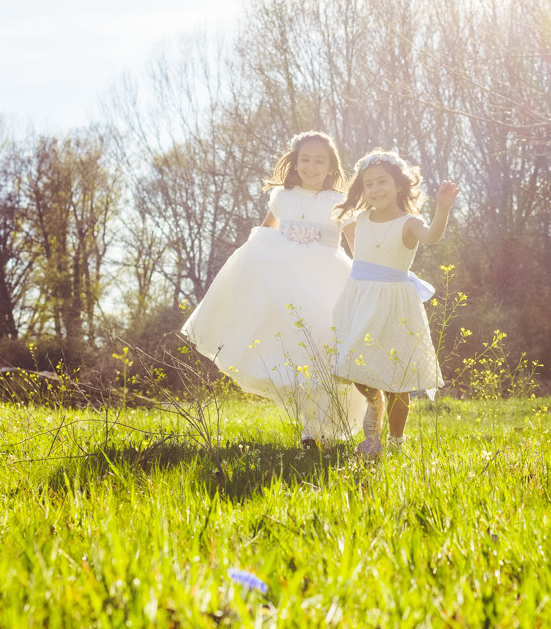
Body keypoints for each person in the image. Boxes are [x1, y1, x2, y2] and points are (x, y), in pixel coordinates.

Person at [181, 131, 365, 447]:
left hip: (323, 280)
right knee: (292, 349)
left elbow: (355, 245)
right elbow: (265, 233)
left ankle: (320, 430)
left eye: (319, 161)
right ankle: (310, 426)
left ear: (331, 167)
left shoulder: (339, 202)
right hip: (286, 281)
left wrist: (367, 278)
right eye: (305, 159)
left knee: (323, 344)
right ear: (294, 163)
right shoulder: (282, 196)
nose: (311, 166)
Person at [331, 149, 459, 457]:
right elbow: (359, 256)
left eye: (382, 181)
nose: (375, 189)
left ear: (399, 184)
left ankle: (396, 441)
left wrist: (442, 207)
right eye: (369, 183)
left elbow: (432, 236)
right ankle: (373, 420)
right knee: (357, 365)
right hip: (361, 300)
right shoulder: (358, 220)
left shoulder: (409, 223)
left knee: (398, 379)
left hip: (396, 305)